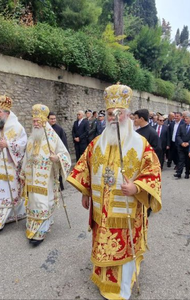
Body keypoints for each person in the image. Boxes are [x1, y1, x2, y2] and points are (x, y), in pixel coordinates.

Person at [67, 83, 161, 300]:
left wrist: (136, 187)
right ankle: (103, 281)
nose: (114, 117)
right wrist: (86, 192)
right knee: (102, 242)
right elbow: (86, 167)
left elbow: (153, 171)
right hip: (102, 209)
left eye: (119, 113)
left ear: (127, 115)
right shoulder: (96, 143)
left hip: (126, 210)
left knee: (124, 244)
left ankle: (122, 287)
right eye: (110, 113)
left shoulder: (140, 143)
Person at [20, 104, 71, 246]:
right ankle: (32, 228)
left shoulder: (52, 137)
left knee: (43, 203)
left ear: (44, 121)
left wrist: (57, 159)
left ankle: (40, 232)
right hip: (31, 179)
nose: (35, 124)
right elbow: (26, 156)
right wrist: (23, 173)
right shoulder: (32, 137)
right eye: (34, 121)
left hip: (46, 179)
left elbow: (65, 155)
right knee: (33, 202)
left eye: (38, 121)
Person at [0, 96, 27, 231]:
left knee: (10, 193)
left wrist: (8, 145)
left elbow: (23, 145)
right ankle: (18, 213)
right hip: (1, 166)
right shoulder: (0, 127)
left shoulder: (17, 127)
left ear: (7, 113)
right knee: (4, 192)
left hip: (11, 167)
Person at [48, 111, 69, 191]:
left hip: (57, 153)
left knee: (57, 171)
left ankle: (60, 186)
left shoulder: (59, 129)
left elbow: (64, 142)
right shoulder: (46, 129)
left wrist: (63, 154)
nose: (53, 120)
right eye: (51, 119)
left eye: (54, 119)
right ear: (48, 119)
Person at [175, 113, 190, 179]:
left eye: (187, 118)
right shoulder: (181, 126)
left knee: (188, 161)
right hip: (181, 146)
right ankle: (179, 173)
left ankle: (187, 173)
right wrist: (181, 143)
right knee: (181, 159)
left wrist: (188, 143)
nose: (185, 119)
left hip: (189, 147)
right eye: (185, 118)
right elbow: (178, 135)